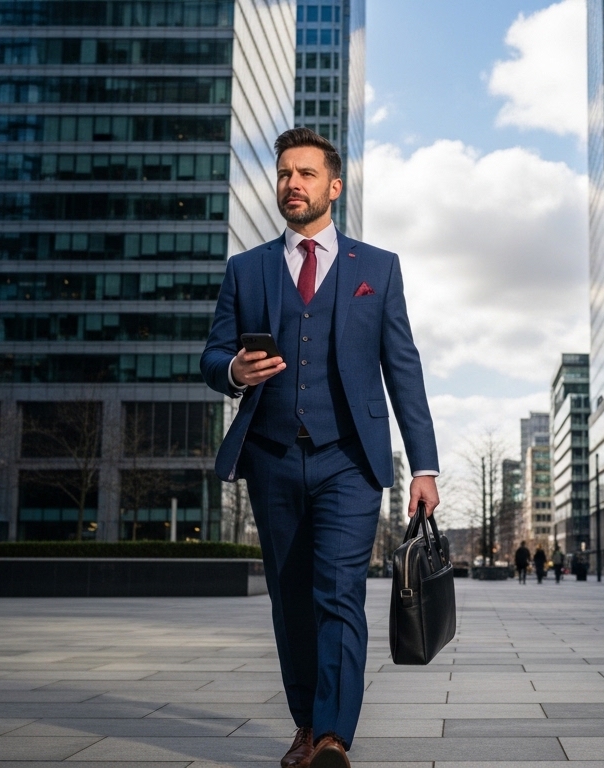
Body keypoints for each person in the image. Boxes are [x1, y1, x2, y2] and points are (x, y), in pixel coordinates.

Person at [201, 128, 439, 768]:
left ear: (333, 186)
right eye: (284, 174)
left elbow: (403, 368)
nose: (292, 184)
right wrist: (233, 371)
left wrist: (424, 465)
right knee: (290, 599)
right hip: (272, 457)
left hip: (349, 459)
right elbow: (212, 352)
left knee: (339, 593)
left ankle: (333, 736)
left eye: (306, 174)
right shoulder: (245, 269)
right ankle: (306, 723)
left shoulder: (377, 268)